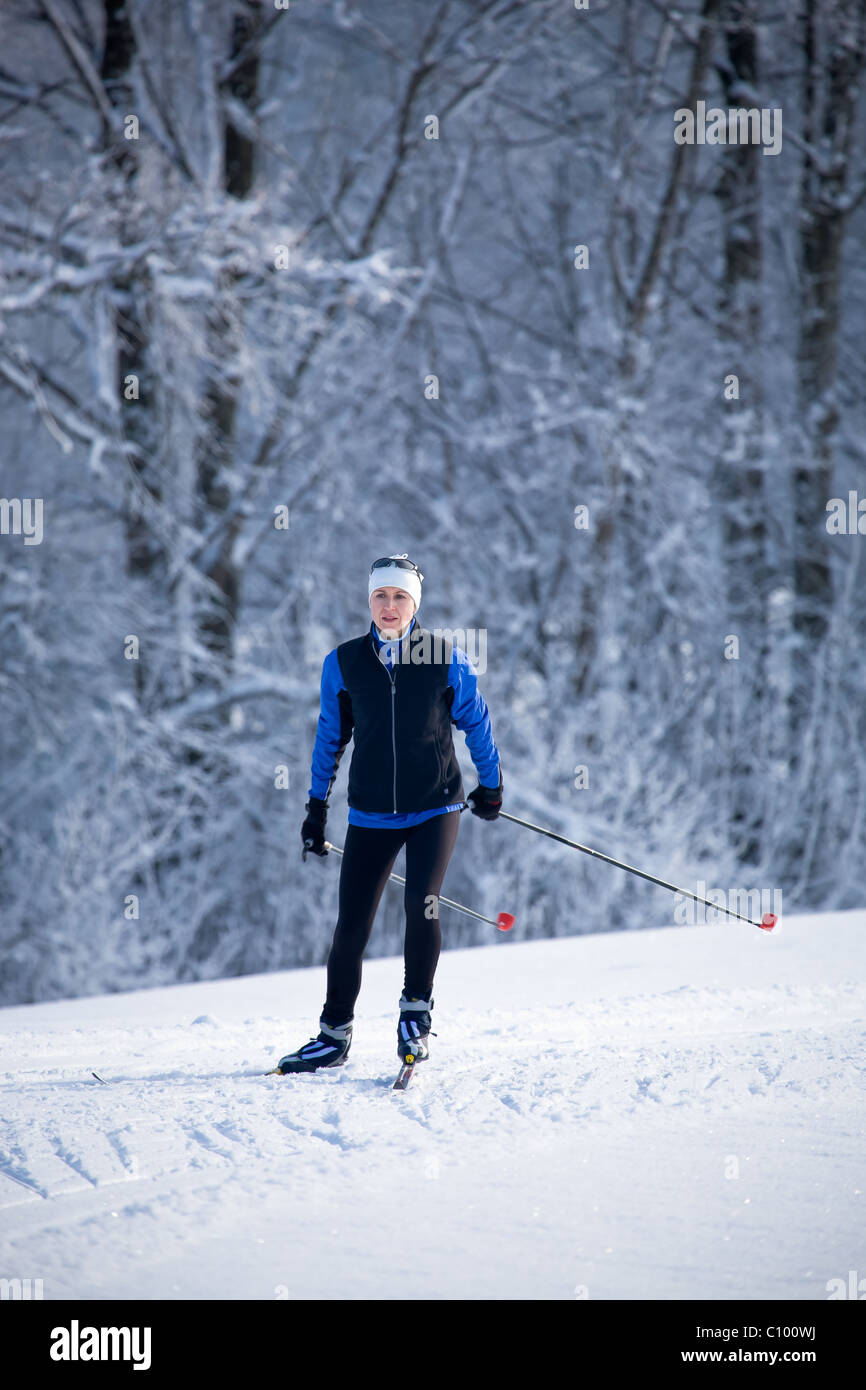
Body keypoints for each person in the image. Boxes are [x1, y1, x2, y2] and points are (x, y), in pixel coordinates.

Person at [274, 554, 502, 1074]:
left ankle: (414, 1019)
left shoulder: (444, 658)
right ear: (369, 601)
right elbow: (330, 737)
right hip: (372, 812)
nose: (390, 606)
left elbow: (477, 723)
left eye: (400, 597)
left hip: (435, 805)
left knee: (422, 906)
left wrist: (491, 786)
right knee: (350, 926)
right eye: (381, 596)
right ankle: (333, 1036)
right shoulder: (346, 662)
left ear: (414, 604)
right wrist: (315, 808)